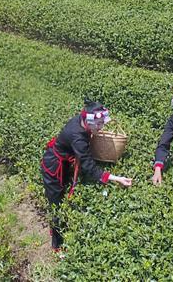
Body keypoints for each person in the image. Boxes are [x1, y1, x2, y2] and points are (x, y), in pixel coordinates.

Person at [41, 101, 132, 250]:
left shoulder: (82, 121)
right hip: (53, 167)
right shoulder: (77, 136)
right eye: (97, 124)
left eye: (102, 123)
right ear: (88, 121)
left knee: (64, 196)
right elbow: (89, 166)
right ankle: (57, 243)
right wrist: (116, 178)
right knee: (56, 204)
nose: (100, 127)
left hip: (65, 161)